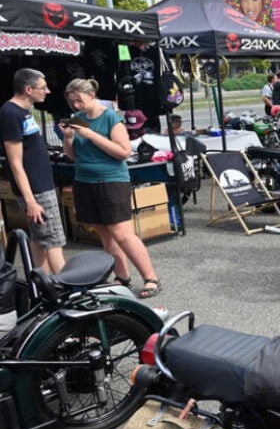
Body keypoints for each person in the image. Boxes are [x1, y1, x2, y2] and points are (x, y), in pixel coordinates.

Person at [61, 78, 161, 298]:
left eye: (79, 100)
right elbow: (72, 156)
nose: (76, 106)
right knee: (104, 234)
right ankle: (122, 276)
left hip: (111, 180)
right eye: (72, 102)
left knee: (122, 233)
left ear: (91, 95)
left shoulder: (110, 118)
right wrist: (68, 138)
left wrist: (90, 134)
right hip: (84, 181)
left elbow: (123, 152)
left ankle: (150, 277)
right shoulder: (79, 119)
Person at [0, 68, 65, 274]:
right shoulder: (10, 113)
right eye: (42, 87)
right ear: (28, 89)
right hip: (35, 189)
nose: (47, 91)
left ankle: (43, 283)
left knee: (40, 238)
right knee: (53, 239)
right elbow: (15, 162)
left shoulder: (23, 111)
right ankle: (70, 290)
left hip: (41, 184)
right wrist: (30, 201)